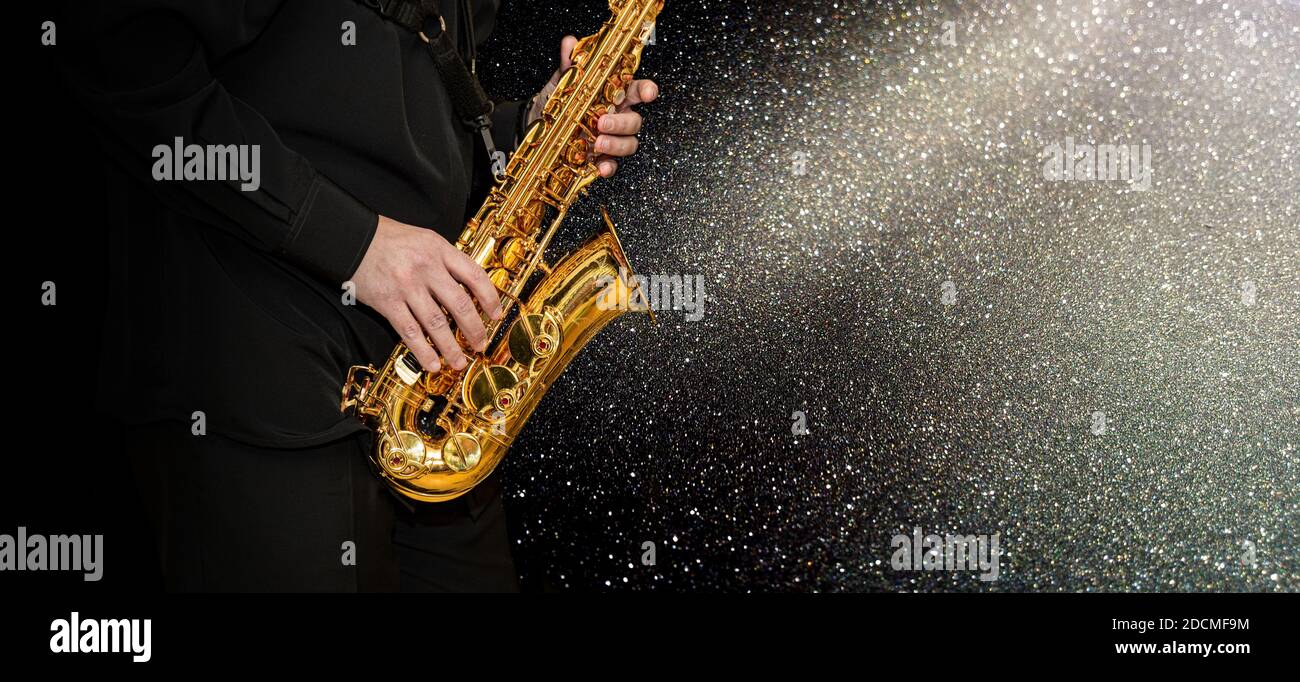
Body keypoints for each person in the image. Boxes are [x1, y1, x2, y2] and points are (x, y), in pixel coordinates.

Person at [57, 0, 658, 592]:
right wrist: (356, 243)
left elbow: (389, 113)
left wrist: (531, 130)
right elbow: (117, 59)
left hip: (428, 399)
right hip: (260, 378)